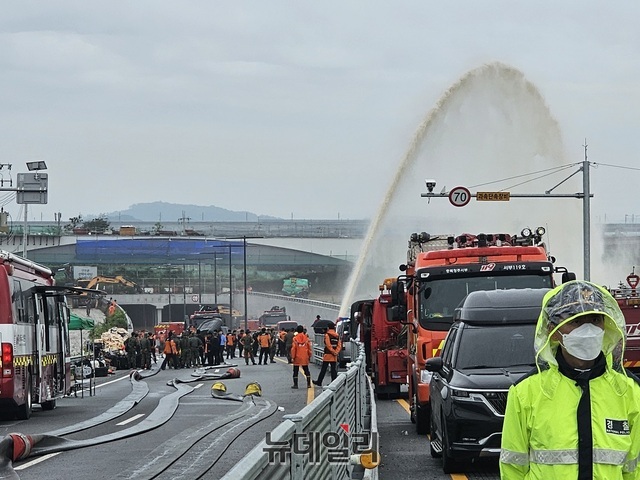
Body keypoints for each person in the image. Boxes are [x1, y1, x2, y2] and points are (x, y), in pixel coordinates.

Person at [500, 280, 640, 480]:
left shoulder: (629, 392)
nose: (588, 330)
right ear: (553, 331)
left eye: (595, 320)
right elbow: (512, 469)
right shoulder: (525, 393)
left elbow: (634, 470)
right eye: (576, 321)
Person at [313, 322, 341, 386]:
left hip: (328, 355)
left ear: (328, 328)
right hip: (334, 356)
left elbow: (328, 345)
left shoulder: (327, 335)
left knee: (323, 369)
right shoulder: (337, 335)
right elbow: (339, 345)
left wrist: (333, 351)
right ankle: (334, 383)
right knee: (333, 370)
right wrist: (336, 352)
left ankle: (319, 382)